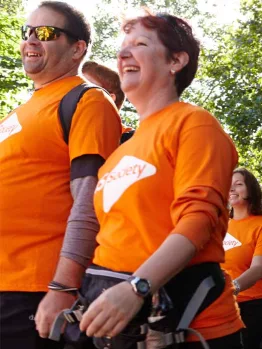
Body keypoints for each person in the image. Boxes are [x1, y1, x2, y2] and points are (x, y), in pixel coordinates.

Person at [75, 12, 244, 348]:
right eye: (122, 47)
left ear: (176, 61)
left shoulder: (194, 124)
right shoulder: (120, 152)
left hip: (192, 329)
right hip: (121, 327)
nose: (123, 54)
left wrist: (137, 287)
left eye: (139, 44)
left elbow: (199, 221)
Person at [0, 2, 122, 348]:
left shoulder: (87, 101)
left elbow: (90, 201)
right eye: (27, 32)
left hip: (35, 291)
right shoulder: (18, 112)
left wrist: (63, 288)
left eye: (46, 33)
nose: (31, 41)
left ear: (77, 48)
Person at [222, 168, 262, 349]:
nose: (232, 189)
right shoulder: (219, 225)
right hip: (219, 308)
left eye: (238, 184)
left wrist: (232, 289)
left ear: (251, 190)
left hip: (253, 310)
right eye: (228, 185)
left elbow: (260, 268)